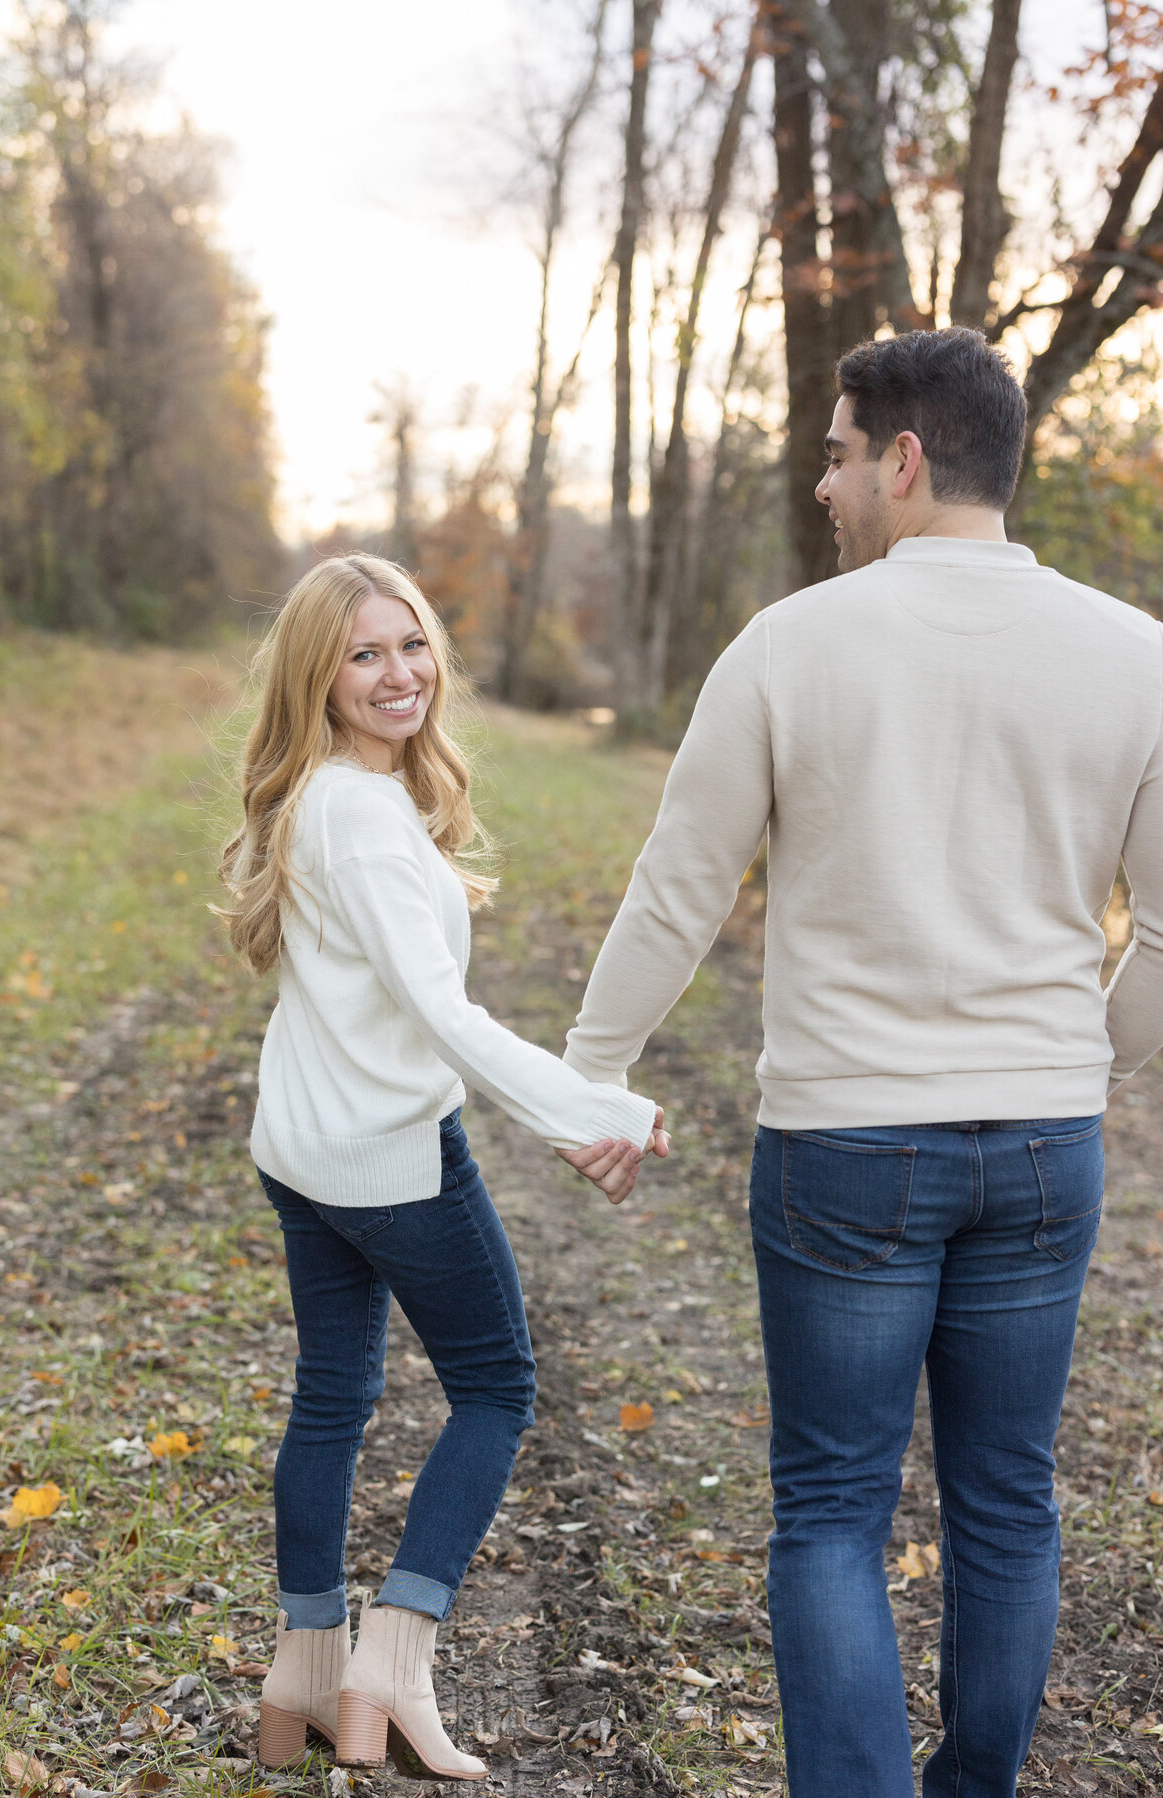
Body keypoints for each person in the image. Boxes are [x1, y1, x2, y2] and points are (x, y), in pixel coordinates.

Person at [560, 329, 1163, 1797]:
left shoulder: (789, 644)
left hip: (845, 1147)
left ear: (903, 460)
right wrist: (1096, 1057)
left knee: (831, 1508)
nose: (825, 488)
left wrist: (591, 1076)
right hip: (1040, 1144)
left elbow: (677, 886)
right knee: (1008, 1502)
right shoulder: (1141, 657)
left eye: (836, 454)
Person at [216, 553, 666, 1777]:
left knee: (333, 1395)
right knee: (497, 1387)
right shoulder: (358, 818)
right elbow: (442, 1016)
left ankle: (303, 1671)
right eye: (364, 654)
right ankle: (392, 1660)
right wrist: (588, 1110)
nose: (399, 672)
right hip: (387, 1161)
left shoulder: (323, 791)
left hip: (301, 1147)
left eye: (410, 643)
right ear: (320, 673)